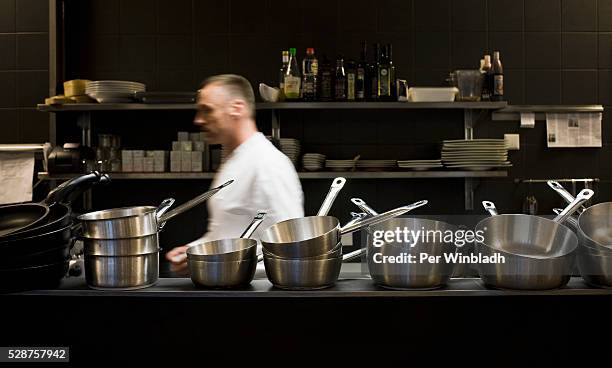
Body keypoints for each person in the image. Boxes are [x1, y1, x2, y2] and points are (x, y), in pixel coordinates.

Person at [166, 74, 304, 273]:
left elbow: (291, 251)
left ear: (237, 108)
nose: (198, 120)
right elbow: (225, 233)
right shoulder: (233, 160)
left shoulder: (268, 164)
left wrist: (212, 263)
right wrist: (195, 251)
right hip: (227, 290)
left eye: (207, 110)